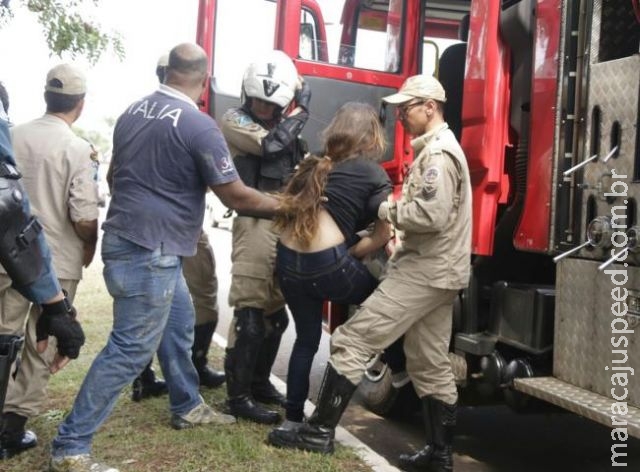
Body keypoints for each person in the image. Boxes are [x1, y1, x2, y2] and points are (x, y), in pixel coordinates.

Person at [49, 43, 280, 472]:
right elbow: (234, 194)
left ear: (168, 72)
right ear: (204, 80)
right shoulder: (199, 125)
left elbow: (116, 176)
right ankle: (69, 447)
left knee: (178, 323)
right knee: (129, 348)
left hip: (128, 238)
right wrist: (288, 206)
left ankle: (187, 404)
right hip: (150, 251)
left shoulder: (133, 112)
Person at [268, 75, 472, 472]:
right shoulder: (435, 151)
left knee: (352, 340)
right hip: (439, 271)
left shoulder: (439, 156)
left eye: (407, 108)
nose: (400, 115)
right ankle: (440, 454)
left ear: (430, 107)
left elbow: (430, 215)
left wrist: (388, 210)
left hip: (424, 271)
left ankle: (318, 432)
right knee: (428, 362)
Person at [266, 102, 392, 437]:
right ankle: (397, 363)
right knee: (388, 302)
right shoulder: (372, 172)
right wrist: (355, 249)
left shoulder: (312, 163)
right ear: (370, 137)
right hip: (327, 265)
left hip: (288, 264)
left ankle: (292, 420)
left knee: (306, 339)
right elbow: (384, 231)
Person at [0, 64, 99, 460]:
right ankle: (13, 425)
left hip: (7, 255)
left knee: (3, 337)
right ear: (80, 103)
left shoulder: (12, 132)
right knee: (43, 344)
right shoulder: (77, 148)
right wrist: (88, 248)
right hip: (55, 261)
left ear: (46, 96)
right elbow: (84, 215)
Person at [220, 50, 311, 425]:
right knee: (251, 314)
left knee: (277, 318)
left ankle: (258, 383)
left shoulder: (287, 127)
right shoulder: (234, 119)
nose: (262, 107)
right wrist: (300, 112)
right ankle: (237, 397)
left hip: (284, 224)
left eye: (271, 104)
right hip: (255, 220)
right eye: (257, 99)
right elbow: (269, 147)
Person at [131, 53, 225, 401]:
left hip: (153, 230)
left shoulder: (138, 114)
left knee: (169, 305)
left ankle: (182, 374)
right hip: (173, 231)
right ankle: (162, 375)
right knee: (190, 299)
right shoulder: (190, 120)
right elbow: (225, 184)